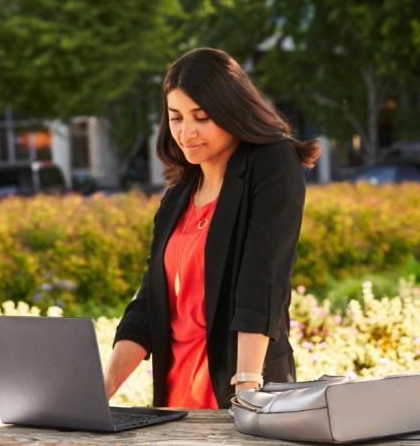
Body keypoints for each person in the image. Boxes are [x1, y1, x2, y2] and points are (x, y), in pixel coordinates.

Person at [104, 48, 321, 409]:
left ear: (230, 111)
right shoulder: (178, 195)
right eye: (175, 118)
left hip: (241, 387)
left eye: (201, 117)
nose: (185, 132)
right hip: (176, 397)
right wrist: (99, 390)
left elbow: (263, 279)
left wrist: (248, 391)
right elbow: (148, 304)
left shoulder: (273, 163)